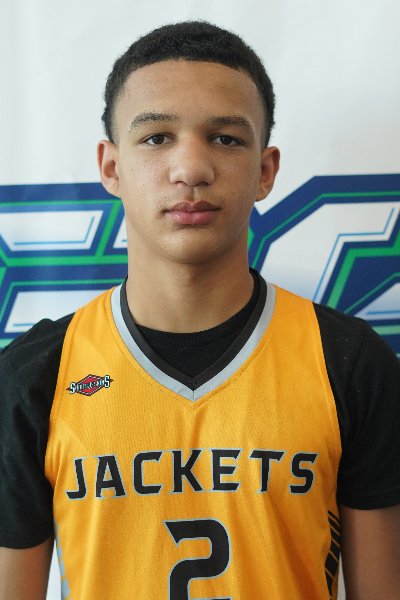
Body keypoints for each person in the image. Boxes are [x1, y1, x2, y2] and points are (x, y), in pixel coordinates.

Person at [0, 21, 399, 600]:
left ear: (265, 171)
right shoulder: (36, 373)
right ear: (111, 167)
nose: (190, 169)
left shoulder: (351, 362)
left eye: (225, 138)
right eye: (156, 137)